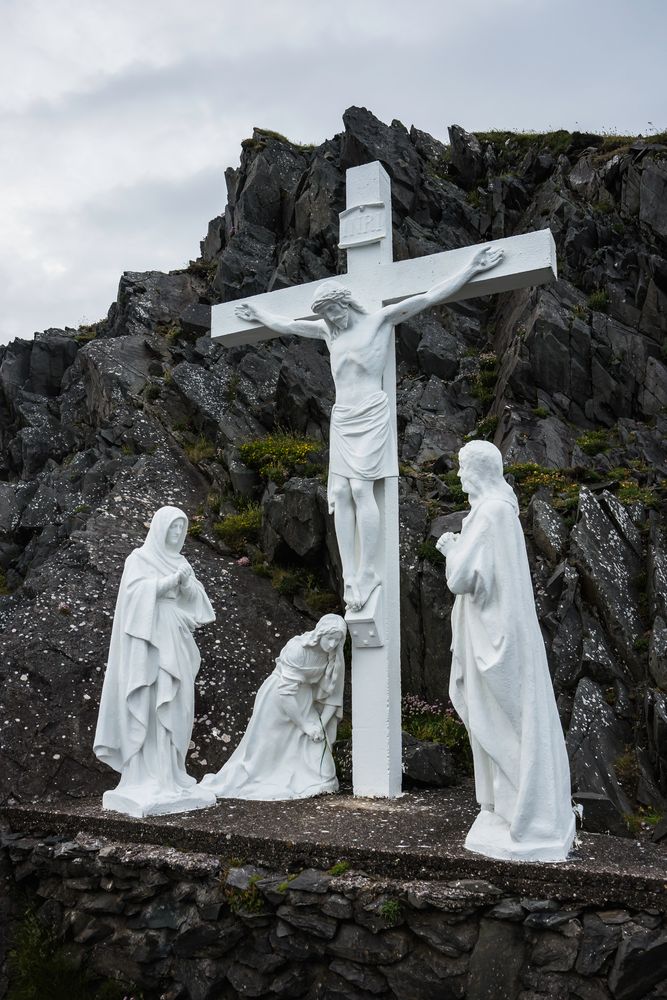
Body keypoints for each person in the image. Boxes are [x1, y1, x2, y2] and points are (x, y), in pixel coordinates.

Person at [235, 245, 503, 613]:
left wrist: (471, 269)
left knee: (363, 489)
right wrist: (259, 314)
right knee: (341, 494)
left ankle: (368, 571)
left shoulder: (378, 320)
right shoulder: (330, 334)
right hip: (343, 417)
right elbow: (290, 326)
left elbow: (427, 297)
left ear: (345, 303)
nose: (331, 319)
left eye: (333, 311)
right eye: (325, 314)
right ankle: (352, 574)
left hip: (371, 413)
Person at [437, 441, 576, 862]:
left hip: (494, 642)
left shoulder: (492, 514)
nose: (459, 477)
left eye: (463, 469)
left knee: (502, 723)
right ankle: (511, 808)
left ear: (478, 470)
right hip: (499, 633)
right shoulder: (500, 512)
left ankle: (526, 812)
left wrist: (449, 549)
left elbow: (462, 577)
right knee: (508, 722)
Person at [94, 505, 217, 817]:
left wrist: (187, 585)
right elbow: (133, 597)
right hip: (148, 643)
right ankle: (149, 776)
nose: (177, 535)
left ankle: (173, 771)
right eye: (173, 528)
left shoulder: (182, 561)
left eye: (182, 529)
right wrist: (165, 584)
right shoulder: (139, 559)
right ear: (160, 529)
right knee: (153, 701)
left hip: (176, 637)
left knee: (179, 700)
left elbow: (201, 608)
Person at [200, 614, 347, 800]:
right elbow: (286, 693)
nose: (333, 644)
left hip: (304, 703)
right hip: (278, 701)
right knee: (266, 752)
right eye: (330, 638)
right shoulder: (298, 649)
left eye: (338, 639)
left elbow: (333, 697)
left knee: (323, 767)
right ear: (320, 634)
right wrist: (306, 726)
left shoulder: (333, 657)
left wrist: (320, 724)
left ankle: (309, 781)